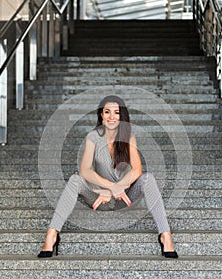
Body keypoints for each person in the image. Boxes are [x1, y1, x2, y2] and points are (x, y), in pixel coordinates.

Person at [38, 95, 178, 259]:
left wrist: (115, 190)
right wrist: (109, 188)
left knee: (149, 179)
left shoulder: (129, 137)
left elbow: (137, 170)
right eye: (107, 112)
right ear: (101, 115)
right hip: (99, 199)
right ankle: (52, 234)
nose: (112, 117)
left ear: (122, 116)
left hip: (125, 198)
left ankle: (165, 235)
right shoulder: (93, 137)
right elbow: (85, 171)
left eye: (116, 113)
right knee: (75, 179)